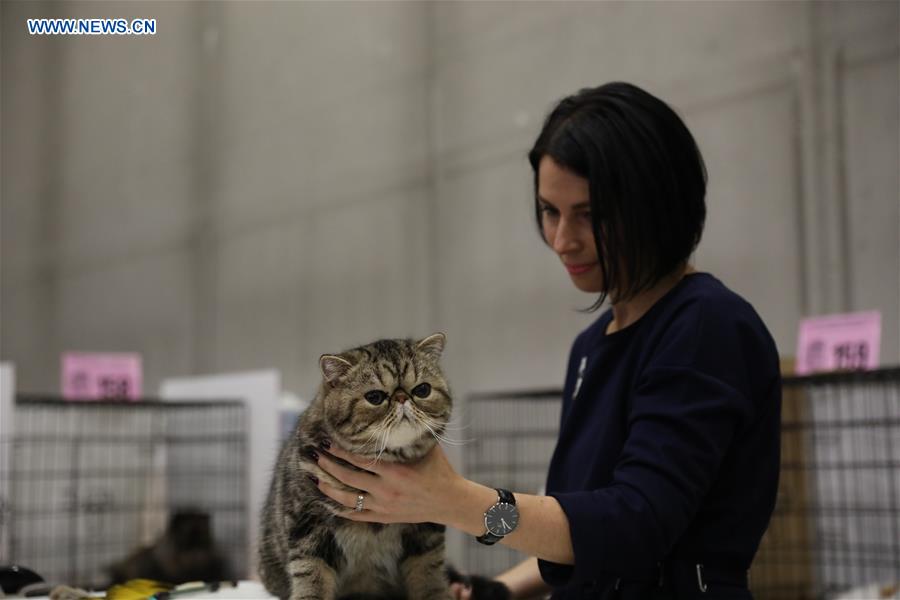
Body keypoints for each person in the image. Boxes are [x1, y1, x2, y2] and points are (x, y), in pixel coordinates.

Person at [313, 82, 782, 599]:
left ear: (658, 202)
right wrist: (498, 590)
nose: (562, 240)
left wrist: (455, 501)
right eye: (549, 212)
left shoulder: (705, 329)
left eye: (589, 214)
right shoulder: (593, 345)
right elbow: (584, 529)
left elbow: (635, 528)